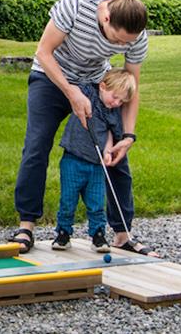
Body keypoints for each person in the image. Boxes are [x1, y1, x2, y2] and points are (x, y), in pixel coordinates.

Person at [8, 0, 159, 256]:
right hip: (51, 77)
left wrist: (128, 135)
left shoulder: (137, 37)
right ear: (106, 17)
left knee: (114, 155)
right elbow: (43, 52)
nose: (121, 46)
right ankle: (26, 225)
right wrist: (71, 92)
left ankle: (123, 234)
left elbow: (131, 90)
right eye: (117, 40)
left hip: (95, 84)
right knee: (37, 145)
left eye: (127, 43)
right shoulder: (77, 5)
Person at [52, 69, 136, 251]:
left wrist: (107, 151)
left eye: (121, 101)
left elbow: (109, 133)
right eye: (115, 97)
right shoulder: (88, 93)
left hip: (96, 165)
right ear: (103, 86)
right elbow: (73, 85)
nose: (116, 103)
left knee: (97, 202)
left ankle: (98, 236)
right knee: (68, 200)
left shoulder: (113, 112)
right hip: (73, 159)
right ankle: (63, 234)